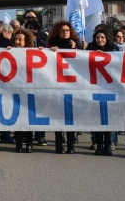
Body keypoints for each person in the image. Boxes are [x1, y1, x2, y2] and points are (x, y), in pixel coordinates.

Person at [45, 21, 79, 154]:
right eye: (62, 30)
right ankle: (59, 144)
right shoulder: (51, 46)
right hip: (57, 85)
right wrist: (51, 52)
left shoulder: (76, 46)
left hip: (72, 86)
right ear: (57, 32)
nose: (65, 32)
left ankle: (71, 145)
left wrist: (75, 50)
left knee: (70, 117)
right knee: (58, 115)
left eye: (67, 30)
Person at [86, 28, 117, 156]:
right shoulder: (90, 49)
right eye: (98, 37)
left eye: (103, 37)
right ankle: (99, 144)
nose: (100, 40)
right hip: (94, 88)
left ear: (107, 39)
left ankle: (108, 145)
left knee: (108, 118)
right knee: (97, 118)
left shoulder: (114, 50)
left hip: (109, 88)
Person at [9, 28, 37, 153]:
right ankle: (19, 143)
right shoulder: (9, 52)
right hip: (15, 89)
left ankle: (29, 143)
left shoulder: (33, 53)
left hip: (29, 89)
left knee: (28, 117)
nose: (18, 42)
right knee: (18, 117)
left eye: (20, 39)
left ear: (26, 41)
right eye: (16, 39)